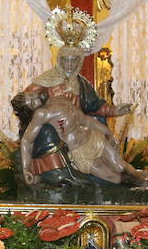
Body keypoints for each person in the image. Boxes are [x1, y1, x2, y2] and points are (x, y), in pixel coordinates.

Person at [15, 44, 134, 187]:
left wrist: (115, 111)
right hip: (55, 130)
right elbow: (26, 103)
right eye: (66, 60)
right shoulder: (45, 80)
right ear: (59, 60)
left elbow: (95, 106)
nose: (70, 65)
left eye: (74, 60)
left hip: (83, 128)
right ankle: (55, 176)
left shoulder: (82, 83)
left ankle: (133, 181)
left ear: (80, 62)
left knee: (116, 166)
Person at [21, 95, 148, 185]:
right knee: (112, 177)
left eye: (31, 95)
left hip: (93, 137)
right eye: (31, 103)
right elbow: (27, 141)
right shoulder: (42, 114)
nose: (35, 99)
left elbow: (85, 120)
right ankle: (141, 182)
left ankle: (146, 182)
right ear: (30, 110)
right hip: (80, 152)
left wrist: (107, 132)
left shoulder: (59, 100)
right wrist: (26, 168)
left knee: (120, 165)